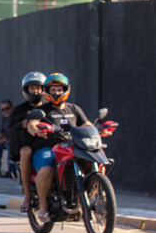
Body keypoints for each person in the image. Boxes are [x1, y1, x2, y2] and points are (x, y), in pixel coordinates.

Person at [27, 73, 105, 224]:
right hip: (47, 148)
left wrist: (97, 130)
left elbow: (86, 125)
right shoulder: (42, 110)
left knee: (94, 160)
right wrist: (37, 130)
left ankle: (87, 198)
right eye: (52, 90)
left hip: (71, 147)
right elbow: (32, 124)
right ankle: (43, 207)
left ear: (66, 90)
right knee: (46, 169)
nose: (56, 93)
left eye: (59, 89)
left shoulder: (74, 109)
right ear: (47, 91)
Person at [10, 71, 46, 212]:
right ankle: (27, 195)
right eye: (32, 88)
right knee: (26, 152)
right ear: (26, 90)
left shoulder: (49, 107)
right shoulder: (19, 110)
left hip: (47, 143)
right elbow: (10, 129)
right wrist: (23, 123)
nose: (36, 91)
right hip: (27, 143)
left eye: (38, 87)